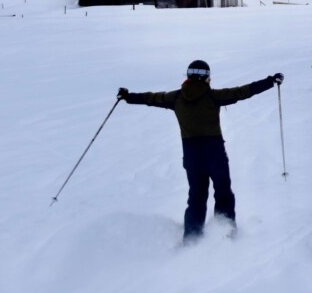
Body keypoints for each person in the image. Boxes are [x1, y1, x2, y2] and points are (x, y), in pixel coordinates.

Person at [117, 60, 283, 244]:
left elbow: (151, 98)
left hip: (192, 156)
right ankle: (225, 235)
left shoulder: (175, 97)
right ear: (206, 77)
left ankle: (192, 238)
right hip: (215, 154)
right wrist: (270, 81)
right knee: (223, 193)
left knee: (196, 197)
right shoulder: (213, 96)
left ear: (188, 76)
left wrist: (128, 96)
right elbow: (242, 91)